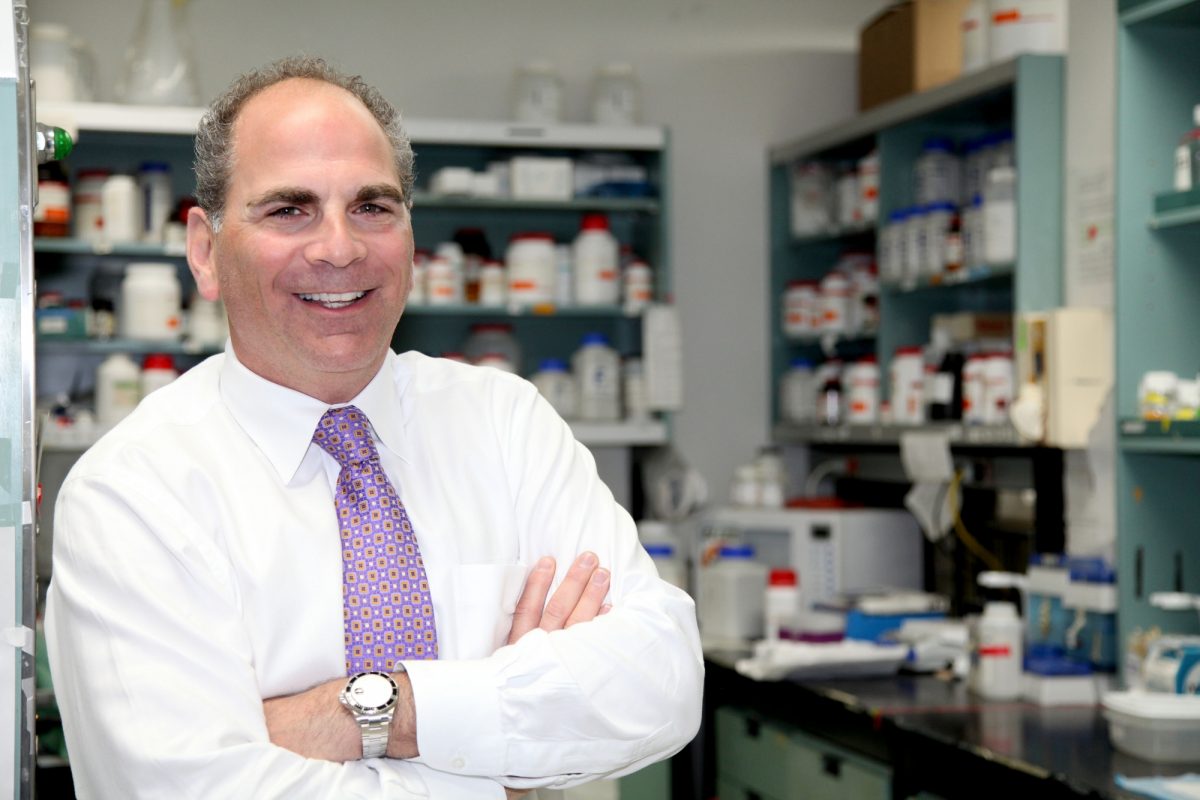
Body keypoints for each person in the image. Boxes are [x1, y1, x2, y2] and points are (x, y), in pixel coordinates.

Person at [45, 56, 703, 799]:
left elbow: (662, 681)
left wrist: (372, 712)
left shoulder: (505, 424)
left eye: (372, 207)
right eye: (288, 209)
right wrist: (500, 761)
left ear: (411, 238)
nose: (339, 248)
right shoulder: (134, 491)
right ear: (205, 252)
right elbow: (190, 789)